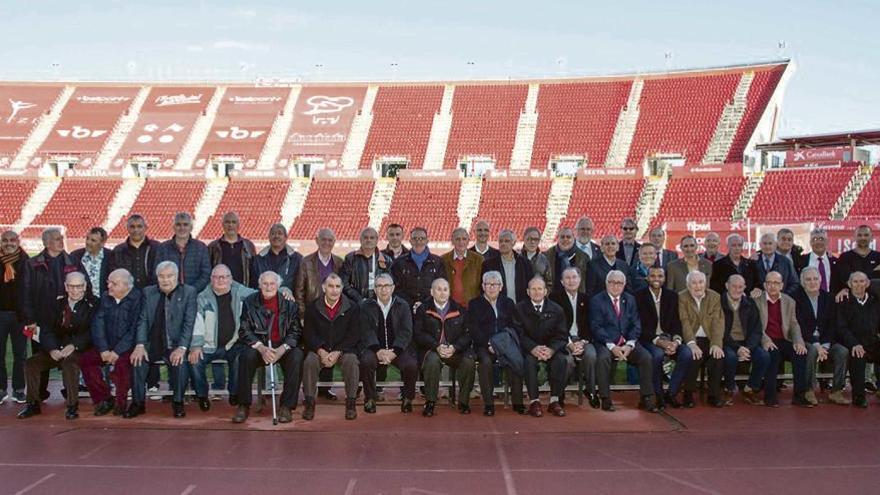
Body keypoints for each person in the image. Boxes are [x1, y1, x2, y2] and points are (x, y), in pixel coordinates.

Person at [20, 227, 88, 403]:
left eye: (61, 238)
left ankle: (70, 394)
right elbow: (25, 293)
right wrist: (30, 320)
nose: (61, 241)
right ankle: (38, 395)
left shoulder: (73, 261)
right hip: (41, 321)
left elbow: (85, 285)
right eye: (57, 239)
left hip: (68, 319)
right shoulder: (32, 264)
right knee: (40, 355)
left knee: (68, 355)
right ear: (47, 242)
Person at [18, 272, 98, 420]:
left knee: (69, 364)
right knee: (31, 363)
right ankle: (32, 404)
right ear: (66, 287)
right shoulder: (56, 304)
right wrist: (52, 348)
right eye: (72, 286)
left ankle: (72, 406)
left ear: (85, 286)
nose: (75, 290)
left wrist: (74, 345)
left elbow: (92, 332)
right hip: (56, 348)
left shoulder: (94, 304)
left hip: (80, 349)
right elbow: (46, 329)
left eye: (79, 286)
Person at [233, 271, 305, 424]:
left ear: (278, 286)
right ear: (259, 285)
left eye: (272, 284)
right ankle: (243, 405)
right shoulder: (249, 302)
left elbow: (296, 331)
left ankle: (287, 406)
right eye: (265, 283)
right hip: (260, 345)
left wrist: (282, 349)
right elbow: (244, 330)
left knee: (297, 356)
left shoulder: (290, 304)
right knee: (246, 356)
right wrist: (261, 348)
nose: (268, 287)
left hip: (282, 345)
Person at [128, 261, 197, 418]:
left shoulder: (188, 292)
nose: (166, 280)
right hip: (153, 342)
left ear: (177, 276)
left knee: (180, 363)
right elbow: (143, 320)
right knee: (137, 360)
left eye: (170, 276)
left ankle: (178, 402)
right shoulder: (148, 292)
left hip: (175, 343)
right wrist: (140, 344)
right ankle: (137, 403)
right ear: (157, 277)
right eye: (162, 276)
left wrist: (182, 347)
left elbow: (189, 322)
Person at [590, 270, 656, 412]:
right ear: (606, 283)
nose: (616, 286)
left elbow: (636, 324)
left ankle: (646, 397)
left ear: (624, 284)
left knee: (646, 357)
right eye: (612, 282)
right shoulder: (597, 300)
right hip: (605, 342)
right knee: (602, 359)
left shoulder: (630, 299)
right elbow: (596, 327)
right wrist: (612, 346)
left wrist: (630, 344)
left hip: (627, 342)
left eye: (619, 283)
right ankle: (605, 398)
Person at [190, 264, 256, 406]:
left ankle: (234, 393)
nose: (221, 280)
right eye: (217, 277)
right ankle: (202, 396)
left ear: (231, 279)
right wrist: (196, 346)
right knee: (195, 361)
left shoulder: (240, 292)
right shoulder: (202, 298)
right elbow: (197, 322)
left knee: (240, 357)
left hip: (232, 343)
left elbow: (261, 293)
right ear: (211, 279)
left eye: (225, 277)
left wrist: (282, 289)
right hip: (208, 346)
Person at [302, 274, 362, 420]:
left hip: (343, 349)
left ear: (342, 288)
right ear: (323, 288)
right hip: (319, 349)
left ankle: (351, 403)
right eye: (330, 286)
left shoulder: (352, 307)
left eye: (337, 286)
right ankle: (309, 403)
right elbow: (308, 334)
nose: (334, 290)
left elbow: (354, 335)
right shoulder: (313, 307)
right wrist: (320, 350)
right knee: (310, 361)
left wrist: (338, 351)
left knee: (352, 361)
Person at [413, 278, 475, 416]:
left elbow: (468, 334)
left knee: (469, 361)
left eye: (445, 289)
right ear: (432, 292)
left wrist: (455, 347)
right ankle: (430, 402)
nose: (442, 293)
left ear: (449, 292)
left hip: (455, 350)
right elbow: (418, 334)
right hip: (432, 349)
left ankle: (464, 401)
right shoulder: (423, 309)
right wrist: (436, 346)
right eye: (438, 289)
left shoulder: (460, 309)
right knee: (432, 362)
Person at [84, 269, 142, 416]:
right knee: (86, 360)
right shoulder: (106, 297)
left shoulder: (138, 299)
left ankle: (121, 403)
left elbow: (134, 330)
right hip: (106, 346)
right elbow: (98, 323)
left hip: (127, 347)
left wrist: (117, 351)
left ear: (126, 286)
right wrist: (103, 349)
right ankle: (104, 398)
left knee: (123, 366)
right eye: (108, 282)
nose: (109, 286)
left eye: (113, 283)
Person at [358, 273, 418, 414]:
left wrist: (394, 352)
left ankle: (407, 398)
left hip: (397, 349)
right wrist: (378, 350)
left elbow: (406, 331)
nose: (383, 289)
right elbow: (366, 331)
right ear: (375, 289)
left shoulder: (402, 305)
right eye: (379, 286)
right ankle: (370, 399)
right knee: (366, 361)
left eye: (386, 286)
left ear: (393, 288)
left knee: (411, 364)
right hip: (374, 348)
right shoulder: (366, 306)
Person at [513, 276, 571, 417]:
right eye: (533, 289)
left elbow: (562, 335)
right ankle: (534, 401)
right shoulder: (519, 308)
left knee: (561, 360)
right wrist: (533, 348)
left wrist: (551, 350)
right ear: (528, 292)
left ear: (546, 291)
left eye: (540, 289)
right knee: (529, 362)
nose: (537, 292)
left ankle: (554, 400)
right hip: (529, 348)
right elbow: (518, 333)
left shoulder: (557, 309)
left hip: (551, 348)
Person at [635, 266, 691, 409]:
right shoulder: (638, 296)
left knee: (686, 353)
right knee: (657, 355)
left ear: (664, 278)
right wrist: (659, 342)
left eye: (660, 276)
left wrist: (676, 342)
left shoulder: (672, 296)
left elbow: (676, 322)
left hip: (669, 338)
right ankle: (658, 394)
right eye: (653, 276)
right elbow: (639, 326)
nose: (656, 279)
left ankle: (671, 393)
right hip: (649, 339)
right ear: (647, 278)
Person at [793, 267, 849, 406]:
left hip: (826, 341)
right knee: (810, 351)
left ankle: (836, 391)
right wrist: (816, 345)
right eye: (808, 279)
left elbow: (832, 325)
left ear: (821, 280)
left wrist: (824, 345)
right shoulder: (795, 298)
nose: (812, 282)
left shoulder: (828, 297)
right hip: (805, 340)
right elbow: (799, 325)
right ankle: (809, 389)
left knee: (842, 351)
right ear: (802, 282)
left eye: (815, 279)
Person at [754, 271, 812, 408]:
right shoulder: (756, 301)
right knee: (772, 356)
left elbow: (794, 324)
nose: (772, 286)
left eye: (776, 283)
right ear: (764, 285)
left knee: (800, 354)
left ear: (782, 285)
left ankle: (800, 396)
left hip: (783, 338)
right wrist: (766, 341)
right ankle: (770, 397)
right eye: (769, 283)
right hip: (766, 339)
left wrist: (799, 342)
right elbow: (756, 327)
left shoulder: (789, 301)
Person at [467, 271, 517, 416]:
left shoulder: (508, 303)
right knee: (485, 362)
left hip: (505, 344)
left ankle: (517, 401)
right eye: (488, 284)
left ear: (501, 286)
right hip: (483, 345)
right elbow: (473, 329)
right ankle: (489, 403)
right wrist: (488, 343)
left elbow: (513, 326)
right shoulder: (474, 304)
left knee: (516, 359)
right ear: (483, 286)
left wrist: (501, 344)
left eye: (495, 284)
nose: (492, 287)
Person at [549, 267, 599, 409]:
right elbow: (555, 326)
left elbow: (591, 324)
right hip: (563, 340)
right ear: (562, 281)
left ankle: (591, 391)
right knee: (567, 360)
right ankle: (559, 394)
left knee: (591, 355)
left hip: (583, 340)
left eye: (574, 277)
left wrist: (582, 343)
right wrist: (570, 343)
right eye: (567, 278)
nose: (571, 281)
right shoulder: (555, 298)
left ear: (579, 279)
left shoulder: (586, 298)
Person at [719, 274, 769, 406]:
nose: (737, 289)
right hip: (727, 342)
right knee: (730, 357)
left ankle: (750, 388)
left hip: (747, 343)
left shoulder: (750, 304)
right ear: (726, 286)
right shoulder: (719, 303)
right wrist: (737, 348)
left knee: (763, 356)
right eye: (734, 286)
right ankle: (728, 389)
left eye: (740, 287)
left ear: (745, 287)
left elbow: (756, 329)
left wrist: (748, 348)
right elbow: (719, 330)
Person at [679, 271, 725, 408]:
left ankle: (714, 395)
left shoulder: (715, 297)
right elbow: (684, 322)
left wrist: (716, 344)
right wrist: (691, 344)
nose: (698, 286)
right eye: (694, 283)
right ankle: (688, 394)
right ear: (687, 285)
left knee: (717, 357)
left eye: (701, 282)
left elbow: (718, 322)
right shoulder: (682, 297)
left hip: (709, 338)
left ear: (706, 283)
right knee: (693, 356)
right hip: (691, 338)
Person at [836, 271, 880, 408]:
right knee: (858, 356)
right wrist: (854, 344)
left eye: (862, 281)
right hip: (853, 342)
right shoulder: (842, 301)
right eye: (855, 282)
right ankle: (859, 396)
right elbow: (841, 328)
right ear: (849, 284)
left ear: (867, 283)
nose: (859, 285)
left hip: (872, 340)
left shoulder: (875, 301)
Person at [0, 230, 27, 404]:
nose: (9, 243)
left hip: (20, 316)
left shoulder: (26, 262)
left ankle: (18, 389)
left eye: (12, 240)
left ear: (18, 241)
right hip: (0, 314)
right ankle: (1, 389)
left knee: (20, 354)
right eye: (5, 240)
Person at [390, 227, 446, 309]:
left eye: (422, 238)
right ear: (410, 241)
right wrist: (411, 303)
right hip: (406, 309)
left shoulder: (438, 262)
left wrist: (425, 304)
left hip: (431, 309)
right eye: (415, 238)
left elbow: (441, 286)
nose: (418, 241)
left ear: (427, 241)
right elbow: (396, 288)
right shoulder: (399, 262)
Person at [156, 212, 210, 292]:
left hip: (195, 295)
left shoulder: (201, 248)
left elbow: (206, 274)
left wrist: (191, 290)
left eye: (185, 225)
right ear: (173, 227)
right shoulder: (163, 248)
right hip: (170, 295)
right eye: (178, 224)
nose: (182, 228)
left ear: (191, 227)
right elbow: (157, 272)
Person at [340, 227, 392, 303]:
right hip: (356, 304)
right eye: (365, 237)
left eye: (372, 238)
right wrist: (359, 299)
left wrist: (380, 299)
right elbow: (344, 282)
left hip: (379, 304)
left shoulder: (386, 260)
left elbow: (390, 284)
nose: (369, 240)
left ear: (377, 240)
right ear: (360, 240)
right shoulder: (351, 258)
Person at [295, 228, 344, 309]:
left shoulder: (340, 262)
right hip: (313, 312)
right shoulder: (306, 262)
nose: (326, 243)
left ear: (334, 242)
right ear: (317, 240)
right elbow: (299, 292)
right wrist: (302, 315)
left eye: (330, 240)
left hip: (334, 312)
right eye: (323, 239)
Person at [109, 214, 160, 290]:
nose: (136, 230)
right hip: (127, 295)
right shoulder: (118, 251)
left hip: (152, 294)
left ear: (145, 228)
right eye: (132, 227)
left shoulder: (157, 248)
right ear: (127, 228)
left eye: (139, 226)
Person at [482, 229, 534, 303]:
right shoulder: (489, 264)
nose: (503, 243)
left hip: (520, 308)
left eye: (507, 241)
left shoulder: (525, 263)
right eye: (501, 241)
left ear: (513, 243)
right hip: (499, 308)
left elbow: (531, 286)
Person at [207, 211, 256, 286]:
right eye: (227, 222)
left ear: (238, 225)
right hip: (220, 290)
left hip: (243, 290)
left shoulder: (248, 246)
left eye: (234, 222)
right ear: (222, 224)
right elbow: (208, 270)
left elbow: (254, 271)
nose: (230, 225)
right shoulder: (213, 246)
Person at [833, 225, 880, 301]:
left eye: (866, 235)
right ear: (854, 237)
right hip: (850, 302)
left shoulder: (878, 257)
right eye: (859, 235)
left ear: (871, 237)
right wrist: (873, 272)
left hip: (875, 302)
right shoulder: (845, 257)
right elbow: (843, 279)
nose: (863, 238)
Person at [251, 223, 302, 291]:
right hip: (265, 300)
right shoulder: (258, 260)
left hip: (289, 300)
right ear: (269, 237)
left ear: (286, 237)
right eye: (273, 233)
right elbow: (254, 284)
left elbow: (301, 284)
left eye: (280, 233)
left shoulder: (297, 259)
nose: (276, 236)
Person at [441, 228, 484, 308]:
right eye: (457, 239)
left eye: (464, 239)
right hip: (450, 308)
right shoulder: (443, 260)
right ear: (452, 241)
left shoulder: (478, 260)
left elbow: (482, 286)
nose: (461, 242)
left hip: (472, 308)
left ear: (468, 240)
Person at [71, 227, 112, 298]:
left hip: (103, 303)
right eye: (87, 238)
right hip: (82, 303)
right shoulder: (75, 256)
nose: (88, 242)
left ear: (102, 243)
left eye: (93, 240)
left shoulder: (111, 256)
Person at [794, 228, 837, 294]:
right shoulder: (801, 260)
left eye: (821, 239)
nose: (818, 242)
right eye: (814, 239)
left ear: (827, 242)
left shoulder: (835, 262)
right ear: (810, 243)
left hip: (831, 300)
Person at [545, 227, 589, 294]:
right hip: (552, 298)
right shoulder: (547, 256)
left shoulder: (584, 257)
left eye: (568, 237)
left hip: (576, 299)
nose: (565, 239)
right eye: (562, 237)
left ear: (573, 239)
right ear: (558, 239)